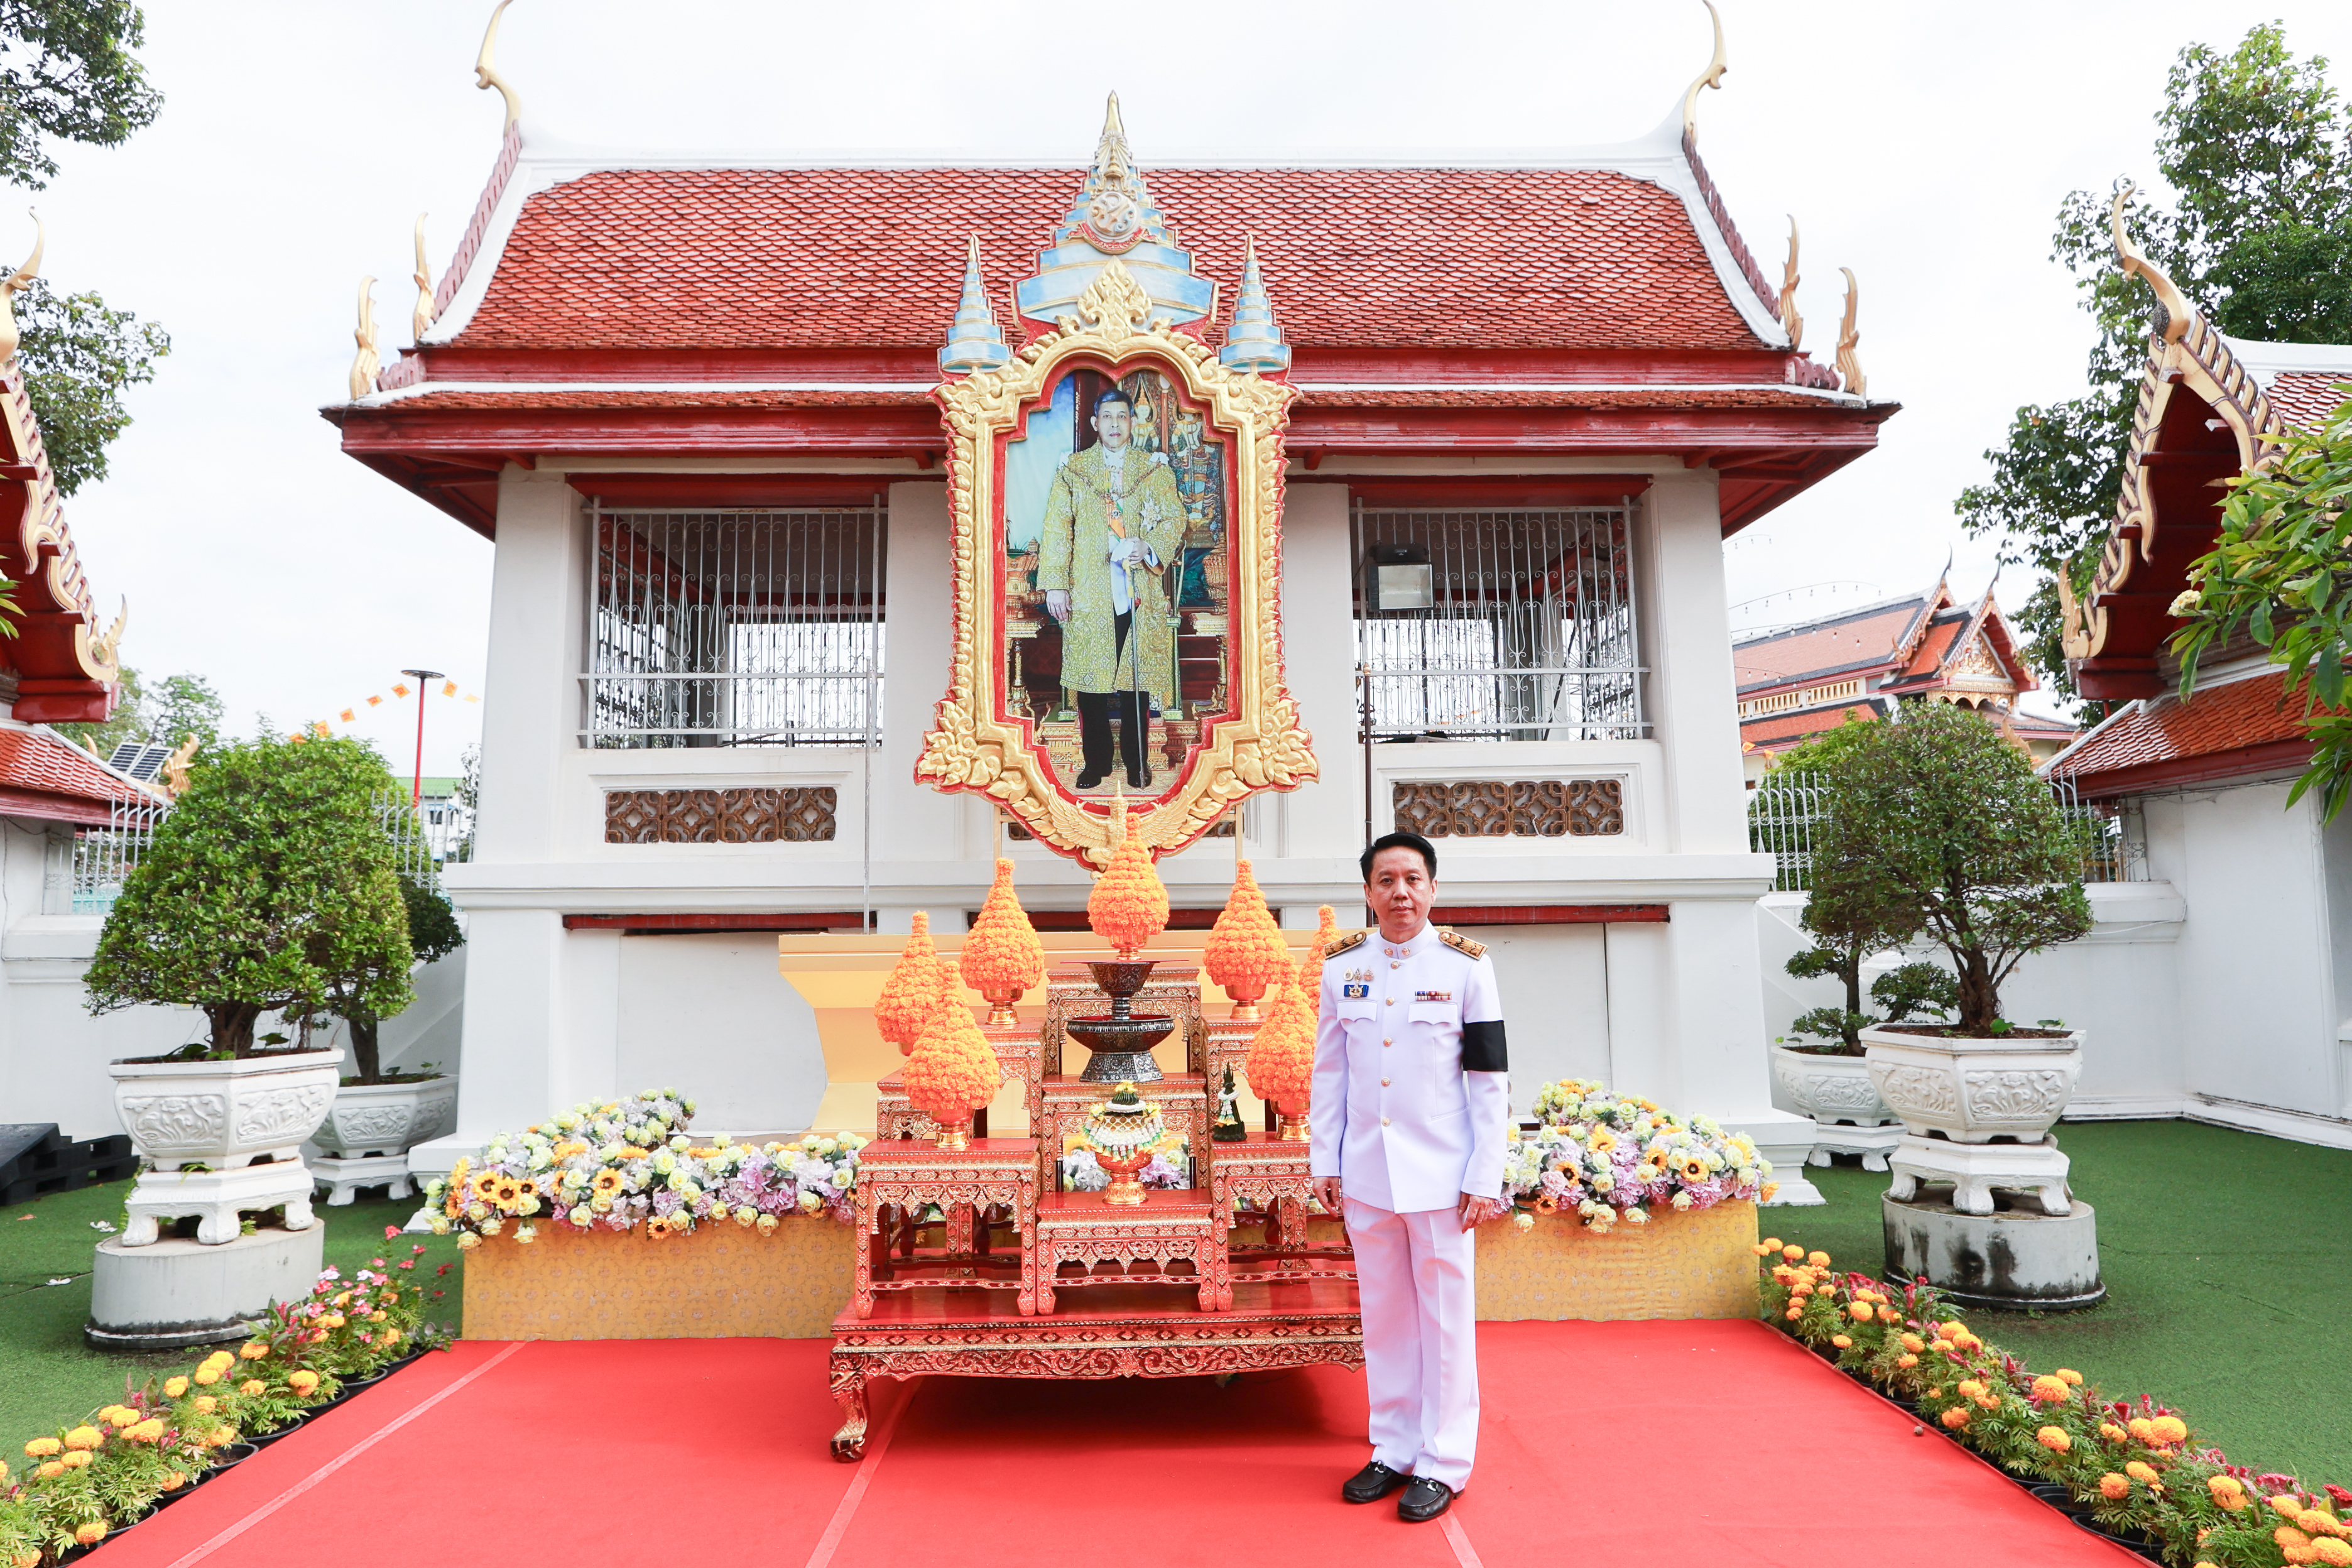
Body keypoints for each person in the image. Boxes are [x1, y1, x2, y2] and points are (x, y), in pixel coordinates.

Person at [1310, 830, 1508, 1524]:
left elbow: (1488, 1081)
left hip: (1444, 1181)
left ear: (1433, 890)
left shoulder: (1466, 969)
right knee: (1386, 1317)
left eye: (1413, 880)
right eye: (1386, 881)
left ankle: (1445, 1461)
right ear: (1367, 892)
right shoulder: (1342, 969)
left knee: (1447, 1324)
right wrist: (1325, 1162)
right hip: (1368, 1174)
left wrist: (1486, 1174)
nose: (1400, 892)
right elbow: (1329, 1075)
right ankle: (1392, 1449)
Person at [1037, 386, 1186, 790]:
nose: (1115, 425)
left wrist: (1147, 546)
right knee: (1091, 684)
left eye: (1122, 417)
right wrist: (1055, 585)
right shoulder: (1074, 470)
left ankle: (1139, 763)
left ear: (1132, 422)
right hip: (1089, 591)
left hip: (1138, 588)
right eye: (1107, 418)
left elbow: (1173, 520)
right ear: (1094, 424)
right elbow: (1057, 530)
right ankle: (1096, 762)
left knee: (1135, 681)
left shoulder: (1154, 469)